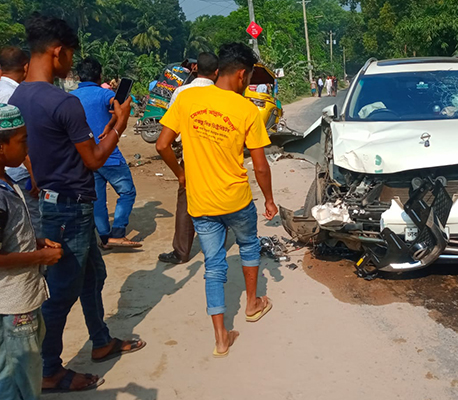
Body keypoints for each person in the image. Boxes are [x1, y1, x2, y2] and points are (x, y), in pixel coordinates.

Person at [9, 14, 145, 392]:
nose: (70, 64)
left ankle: (100, 340)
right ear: (58, 53)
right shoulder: (62, 102)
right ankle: (50, 368)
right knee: (63, 290)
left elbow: (34, 152)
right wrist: (119, 123)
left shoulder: (18, 96)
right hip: (71, 206)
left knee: (93, 275)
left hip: (54, 199)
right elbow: (94, 160)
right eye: (69, 56)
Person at [156, 42, 277, 357]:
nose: (248, 84)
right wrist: (269, 200)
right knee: (249, 246)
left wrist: (182, 175)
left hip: (201, 202)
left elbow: (162, 145)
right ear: (240, 75)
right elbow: (260, 165)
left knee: (213, 264)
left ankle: (221, 337)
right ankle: (252, 304)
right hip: (236, 200)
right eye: (249, 78)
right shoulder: (246, 109)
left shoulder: (187, 99)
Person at [0, 103, 64, 400]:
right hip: (14, 305)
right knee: (20, 378)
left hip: (22, 298)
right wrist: (39, 257)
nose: (28, 146)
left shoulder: (7, 182)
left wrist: (34, 242)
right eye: (22, 140)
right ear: (2, 147)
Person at [71, 57, 141, 249]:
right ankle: (118, 231)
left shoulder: (71, 97)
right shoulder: (104, 94)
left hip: (85, 156)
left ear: (78, 76)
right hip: (108, 155)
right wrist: (111, 126)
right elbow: (121, 108)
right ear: (100, 75)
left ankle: (104, 238)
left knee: (98, 198)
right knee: (127, 191)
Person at [159, 51, 219, 265]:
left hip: (191, 155)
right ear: (217, 71)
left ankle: (182, 251)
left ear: (194, 69)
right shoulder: (224, 94)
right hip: (219, 156)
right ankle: (217, 245)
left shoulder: (181, 93)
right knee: (218, 200)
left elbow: (165, 137)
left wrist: (179, 172)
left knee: (186, 203)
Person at [0, 47, 40, 233]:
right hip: (18, 168)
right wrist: (34, 173)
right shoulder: (16, 95)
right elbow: (15, 138)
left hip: (7, 169)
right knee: (33, 221)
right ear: (26, 67)